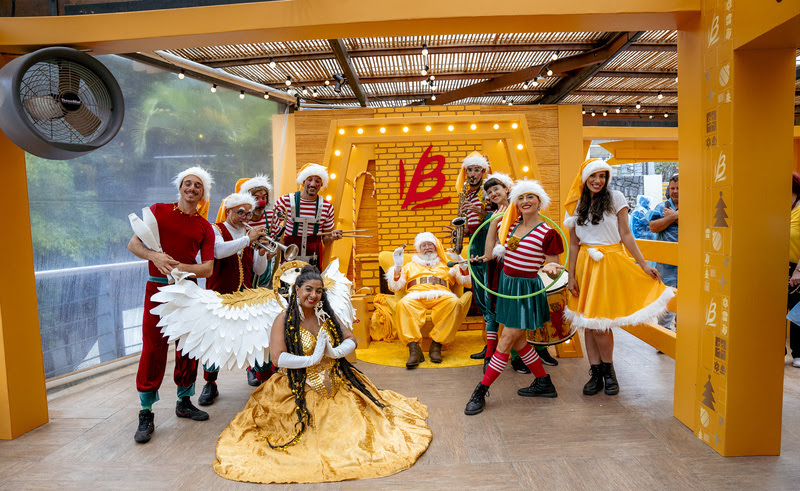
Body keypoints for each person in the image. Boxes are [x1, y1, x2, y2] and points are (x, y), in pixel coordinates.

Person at [212, 266, 432, 484]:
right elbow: (277, 358)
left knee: (360, 431)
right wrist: (309, 360)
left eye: (319, 291)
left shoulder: (326, 314)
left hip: (336, 381)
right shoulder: (283, 319)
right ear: (296, 289)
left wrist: (337, 351)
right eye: (308, 289)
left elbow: (351, 337)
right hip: (296, 386)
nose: (314, 296)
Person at [564, 159, 675, 396]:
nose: (598, 181)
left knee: (601, 322)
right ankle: (595, 373)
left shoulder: (616, 198)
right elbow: (574, 243)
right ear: (584, 178)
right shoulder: (577, 203)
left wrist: (644, 264)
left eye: (602, 176)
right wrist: (570, 274)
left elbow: (626, 233)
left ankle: (609, 372)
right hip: (585, 264)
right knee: (588, 323)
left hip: (609, 263)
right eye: (593, 176)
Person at [127, 166, 216, 444]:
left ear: (203, 194)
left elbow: (208, 269)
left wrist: (181, 270)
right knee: (153, 347)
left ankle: (184, 400)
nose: (192, 189)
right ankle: (146, 410)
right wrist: (156, 256)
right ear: (179, 187)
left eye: (197, 186)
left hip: (187, 291)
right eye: (188, 184)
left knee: (188, 346)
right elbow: (133, 244)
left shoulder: (205, 227)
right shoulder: (158, 211)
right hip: (156, 288)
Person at [464, 179, 564, 414]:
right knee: (518, 341)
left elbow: (554, 265)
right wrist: (493, 224)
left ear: (539, 201)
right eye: (520, 197)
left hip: (526, 291)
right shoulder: (510, 226)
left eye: (530, 197)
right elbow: (490, 255)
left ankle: (481, 390)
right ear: (515, 202)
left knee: (506, 340)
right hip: (508, 287)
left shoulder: (548, 232)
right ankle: (544, 382)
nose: (525, 201)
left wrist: (550, 268)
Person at [198, 192, 274, 406]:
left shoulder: (249, 234)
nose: (244, 217)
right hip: (219, 296)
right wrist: (248, 239)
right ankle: (210, 383)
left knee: (256, 339)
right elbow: (219, 251)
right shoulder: (215, 229)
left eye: (248, 214)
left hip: (246, 294)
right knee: (215, 342)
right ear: (228, 211)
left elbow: (258, 270)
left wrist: (261, 252)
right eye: (240, 212)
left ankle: (264, 380)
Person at [386, 232, 471, 368]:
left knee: (454, 303)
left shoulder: (447, 264)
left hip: (442, 296)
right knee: (403, 304)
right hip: (415, 296)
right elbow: (395, 287)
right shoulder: (410, 266)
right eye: (423, 245)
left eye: (430, 244)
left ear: (436, 246)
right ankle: (414, 349)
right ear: (419, 250)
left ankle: (436, 346)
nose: (427, 248)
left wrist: (461, 262)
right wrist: (397, 266)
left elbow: (467, 282)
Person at [274, 163, 343, 269]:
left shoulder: (327, 207)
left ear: (321, 184)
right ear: (303, 182)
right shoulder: (285, 201)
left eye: (317, 181)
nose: (313, 184)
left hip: (314, 257)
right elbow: (273, 226)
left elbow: (326, 242)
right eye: (309, 179)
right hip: (289, 254)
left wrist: (332, 237)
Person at [649, 174, 679, 330]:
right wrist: (675, 217)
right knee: (666, 298)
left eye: (679, 188)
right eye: (672, 188)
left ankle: (683, 334)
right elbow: (653, 226)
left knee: (686, 299)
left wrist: (673, 216)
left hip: (687, 262)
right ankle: (664, 333)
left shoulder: (694, 206)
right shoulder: (661, 207)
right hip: (665, 263)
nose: (675, 191)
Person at [787, 173, 800, 368]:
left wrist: (798, 271)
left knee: (797, 310)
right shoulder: (779, 207)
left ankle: (798, 353)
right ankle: (774, 349)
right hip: (775, 265)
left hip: (796, 266)